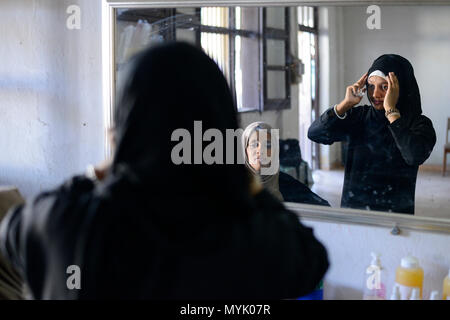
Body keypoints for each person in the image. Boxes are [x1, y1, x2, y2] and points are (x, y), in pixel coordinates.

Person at [0, 42, 328, 299]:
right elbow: (310, 260)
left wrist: (107, 166)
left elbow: (13, 232)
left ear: (120, 130)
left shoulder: (69, 225)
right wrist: (236, 170)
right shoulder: (252, 239)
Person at [308, 54, 436, 214]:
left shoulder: (418, 123)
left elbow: (414, 156)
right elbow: (314, 134)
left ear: (401, 87)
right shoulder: (359, 116)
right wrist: (344, 105)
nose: (375, 94)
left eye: (384, 87)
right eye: (371, 86)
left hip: (396, 216)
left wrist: (392, 112)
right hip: (354, 212)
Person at [243, 121, 330, 206]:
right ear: (245, 150)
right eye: (254, 145)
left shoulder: (286, 184)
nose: (260, 151)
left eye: (268, 145)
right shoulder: (234, 185)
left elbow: (324, 208)